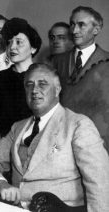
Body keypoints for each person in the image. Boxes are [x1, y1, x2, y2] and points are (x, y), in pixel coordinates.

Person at [0, 63, 109, 212]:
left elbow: (99, 182)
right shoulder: (18, 127)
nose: (34, 90)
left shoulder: (78, 125)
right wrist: (1, 183)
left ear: (57, 90)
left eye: (43, 84)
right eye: (29, 85)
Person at [52, 6, 109, 150]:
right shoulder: (58, 61)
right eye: (72, 24)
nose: (74, 30)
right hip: (61, 141)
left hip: (98, 142)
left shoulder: (107, 61)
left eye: (81, 25)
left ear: (96, 29)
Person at [0, 18, 41, 147]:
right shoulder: (0, 78)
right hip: (3, 147)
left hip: (35, 148)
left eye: (19, 42)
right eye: (9, 43)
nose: (12, 47)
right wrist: (1, 147)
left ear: (33, 48)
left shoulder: (44, 76)